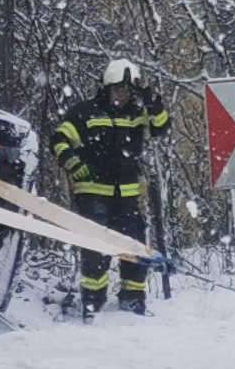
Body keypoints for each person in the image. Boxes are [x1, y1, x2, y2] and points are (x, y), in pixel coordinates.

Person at [50, 56, 176, 318]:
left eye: (127, 90)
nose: (122, 95)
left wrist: (152, 102)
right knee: (96, 248)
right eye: (117, 89)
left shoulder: (137, 115)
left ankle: (133, 299)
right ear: (106, 87)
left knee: (134, 245)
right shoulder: (85, 112)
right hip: (93, 192)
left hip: (127, 194)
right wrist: (73, 163)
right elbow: (59, 139)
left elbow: (162, 126)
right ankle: (92, 302)